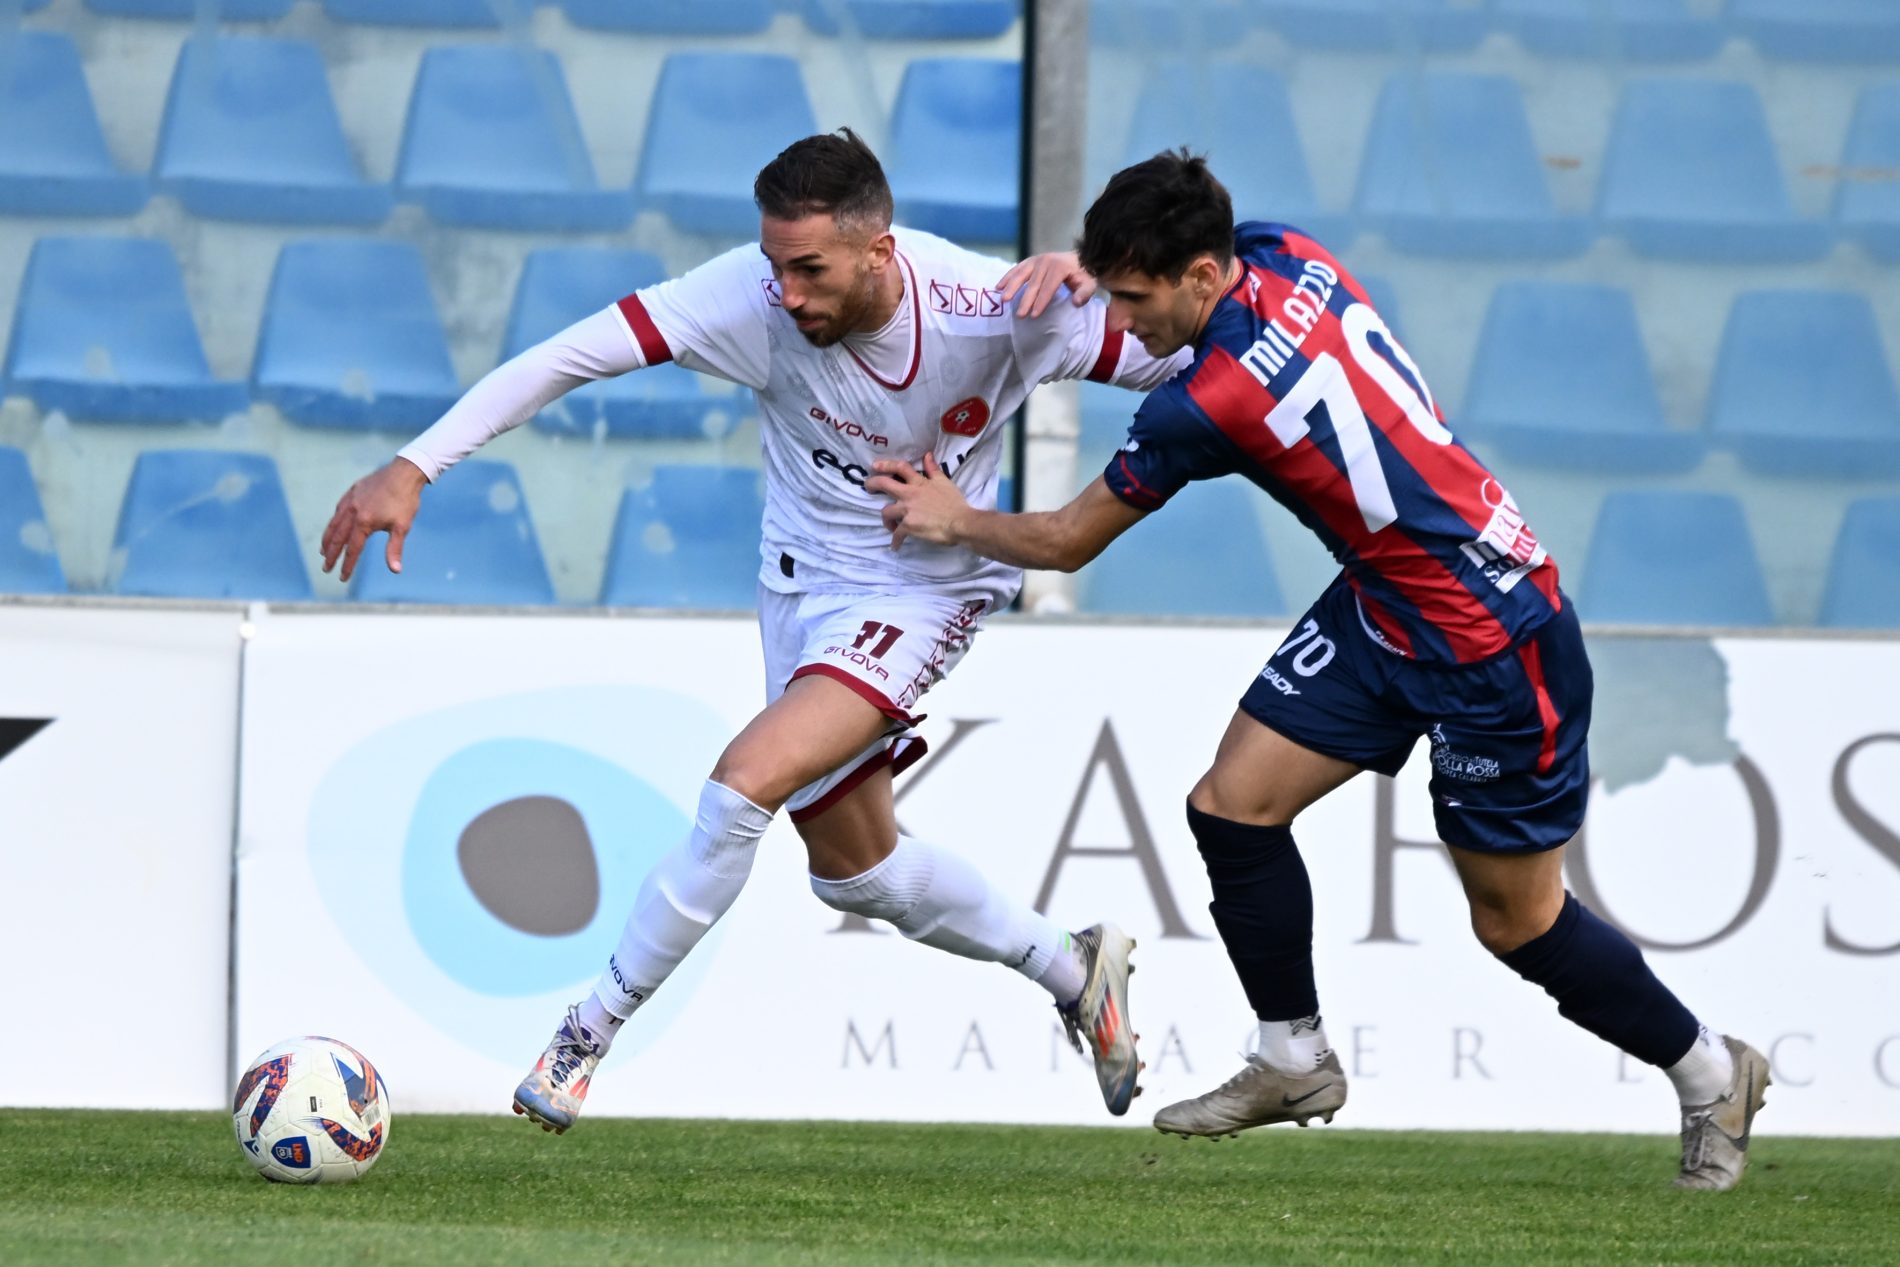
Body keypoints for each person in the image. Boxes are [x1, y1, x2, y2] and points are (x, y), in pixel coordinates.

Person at [869, 150, 1769, 1192]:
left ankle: (1713, 1072)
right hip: (1389, 601)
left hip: (1490, 641)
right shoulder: (1290, 253)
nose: (1120, 323)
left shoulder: (1205, 402)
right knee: (1231, 806)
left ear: (1200, 276)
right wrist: (1090, 267)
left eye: (1134, 298)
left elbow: (1067, 540)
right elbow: (1218, 251)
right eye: (1109, 293)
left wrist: (955, 519)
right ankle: (1292, 1057)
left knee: (1515, 921)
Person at [319, 129, 1187, 1131]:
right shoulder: (747, 297)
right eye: (776, 265)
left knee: (740, 787)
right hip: (799, 587)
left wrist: (1097, 281)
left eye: (810, 269)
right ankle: (1072, 965)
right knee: (861, 874)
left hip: (923, 587)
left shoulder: (997, 312)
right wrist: (415, 465)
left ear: (880, 250)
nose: (787, 292)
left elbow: (1193, 359)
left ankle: (584, 1035)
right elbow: (569, 356)